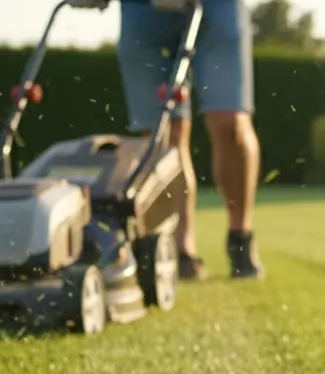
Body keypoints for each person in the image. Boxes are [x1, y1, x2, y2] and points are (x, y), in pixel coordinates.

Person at [113, 0, 263, 280]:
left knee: (231, 124)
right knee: (163, 138)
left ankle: (240, 236)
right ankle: (182, 248)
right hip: (142, 11)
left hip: (216, 8)